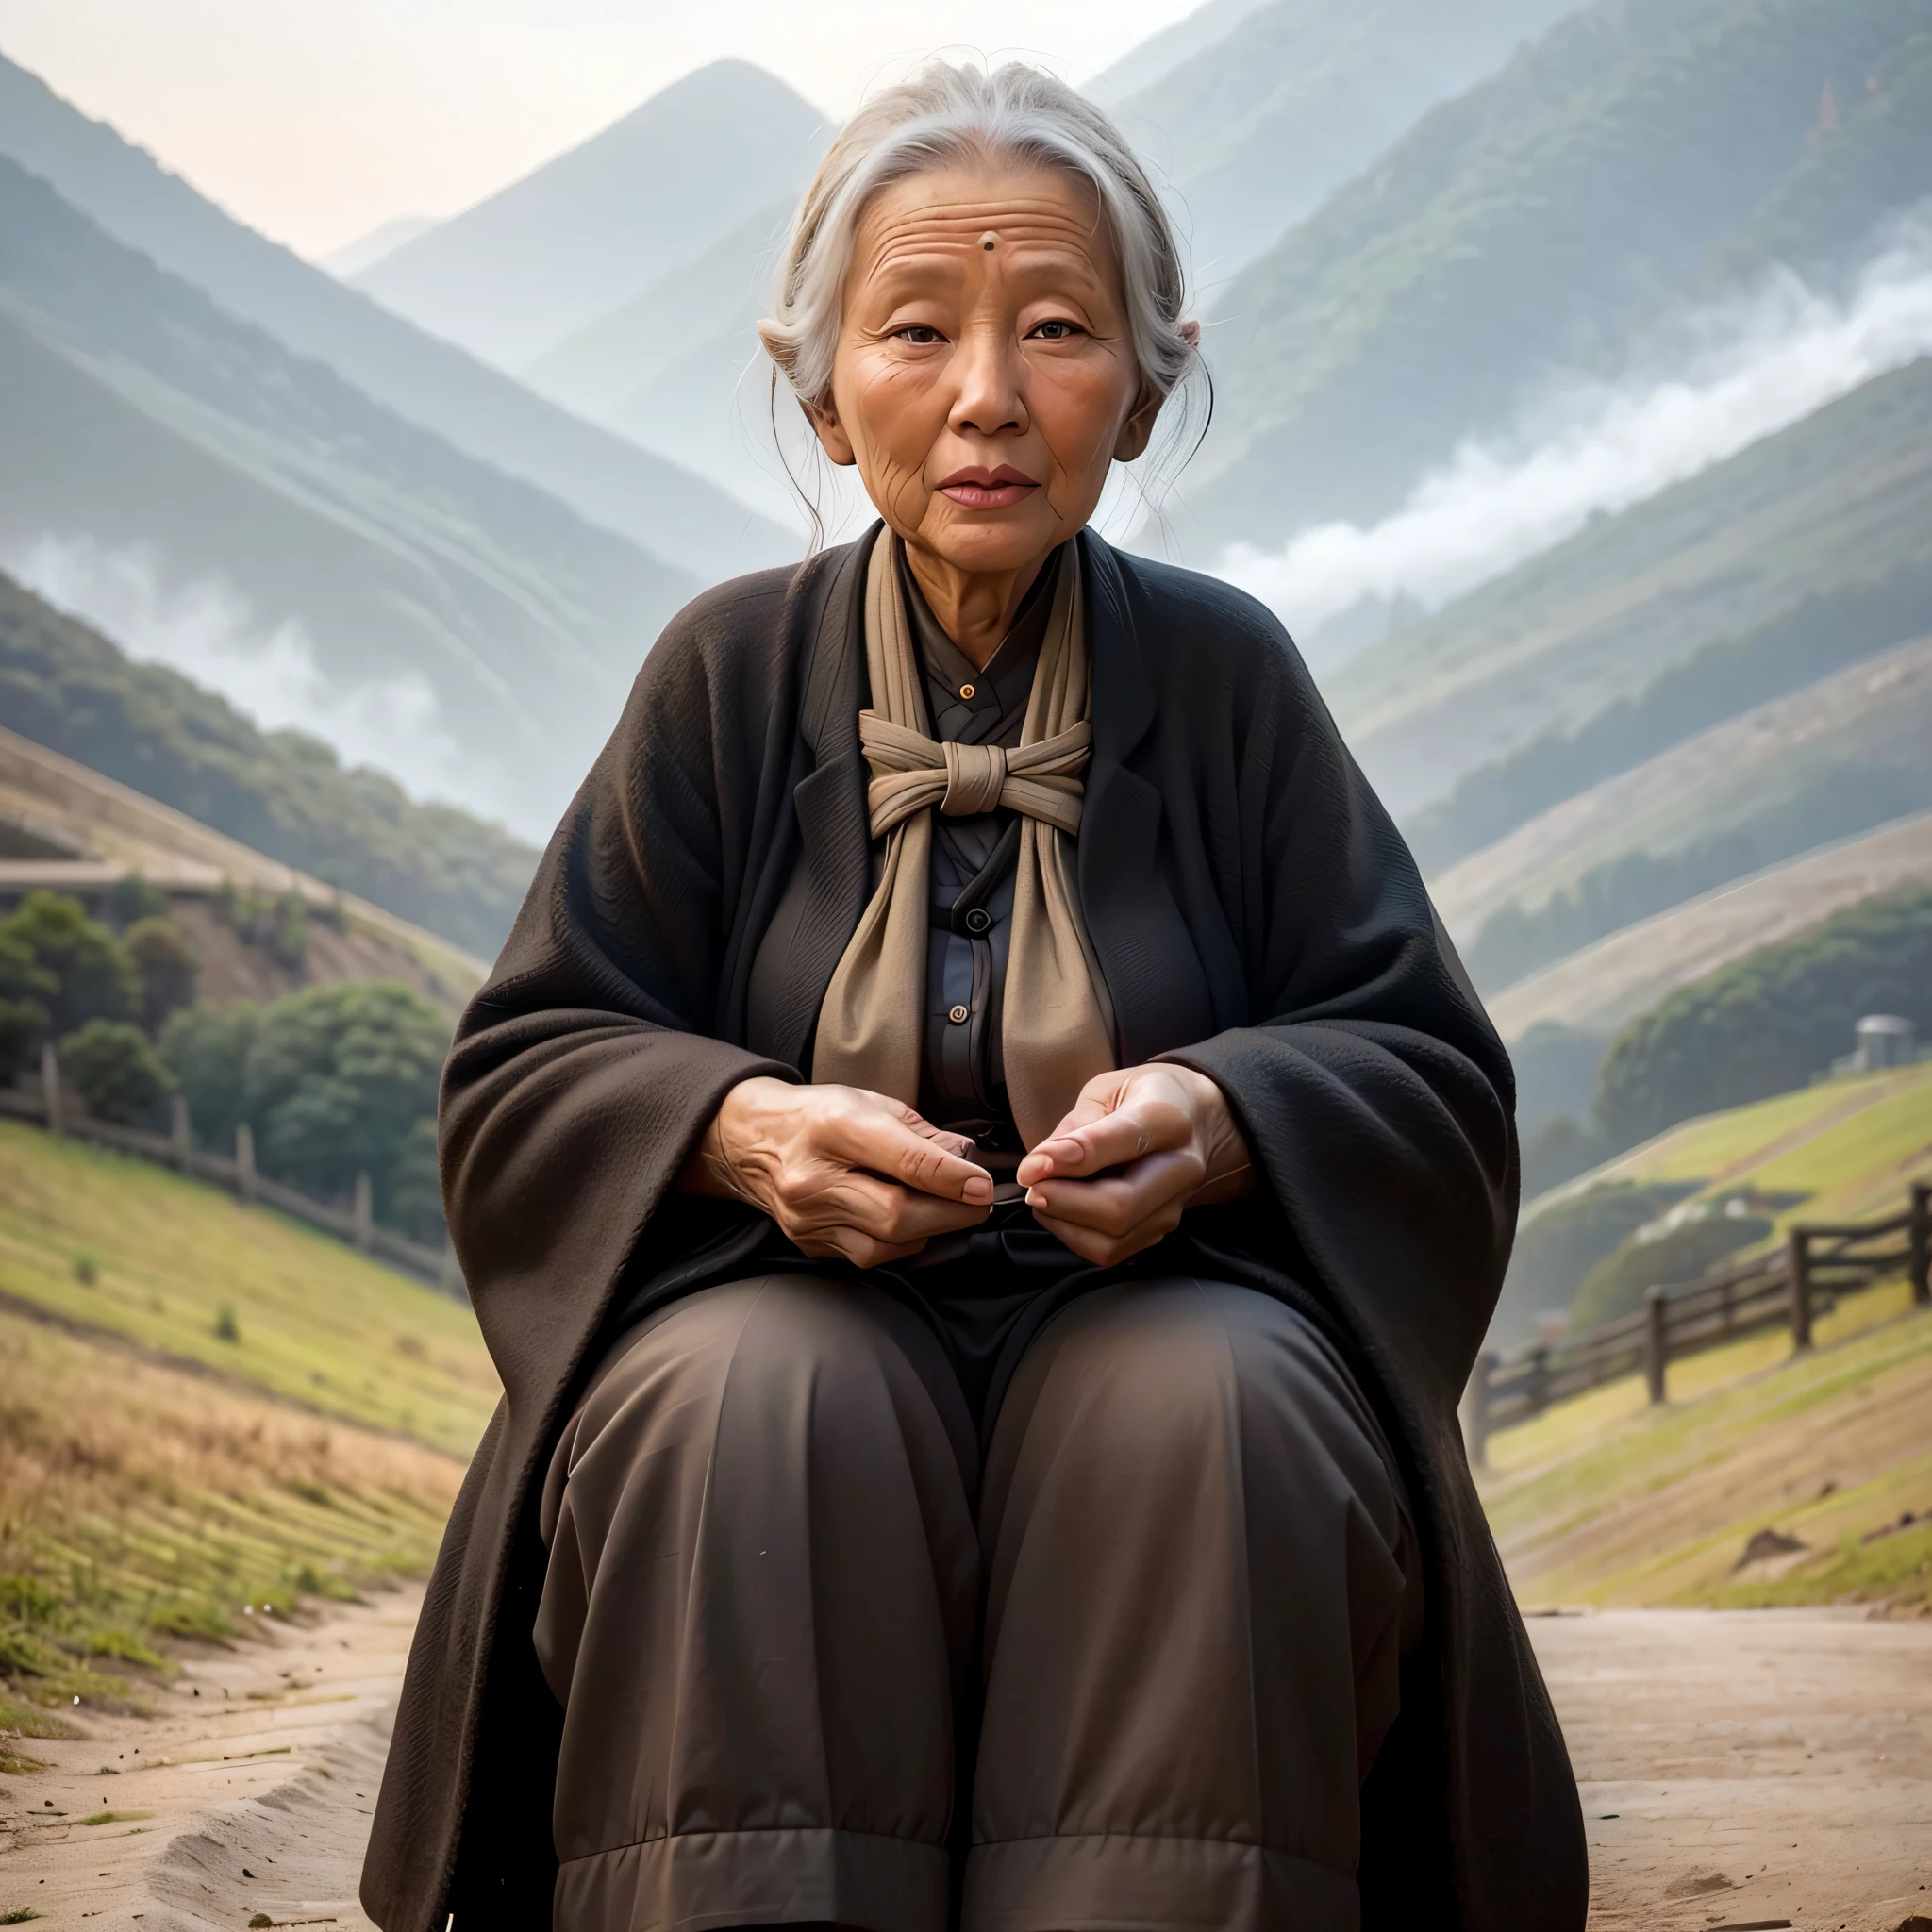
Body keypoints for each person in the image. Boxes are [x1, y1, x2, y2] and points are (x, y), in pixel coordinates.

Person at [362, 59, 1587, 1932]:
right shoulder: (724, 674)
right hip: (781, 1301)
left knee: (1224, 1418)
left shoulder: (1229, 680)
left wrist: (1221, 1118)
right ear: (822, 382)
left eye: (1057, 330)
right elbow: (534, 1059)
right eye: (917, 328)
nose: (987, 397)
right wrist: (739, 1127)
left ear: (1150, 376)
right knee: (740, 1410)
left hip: (1159, 1305)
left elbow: (1416, 1064)